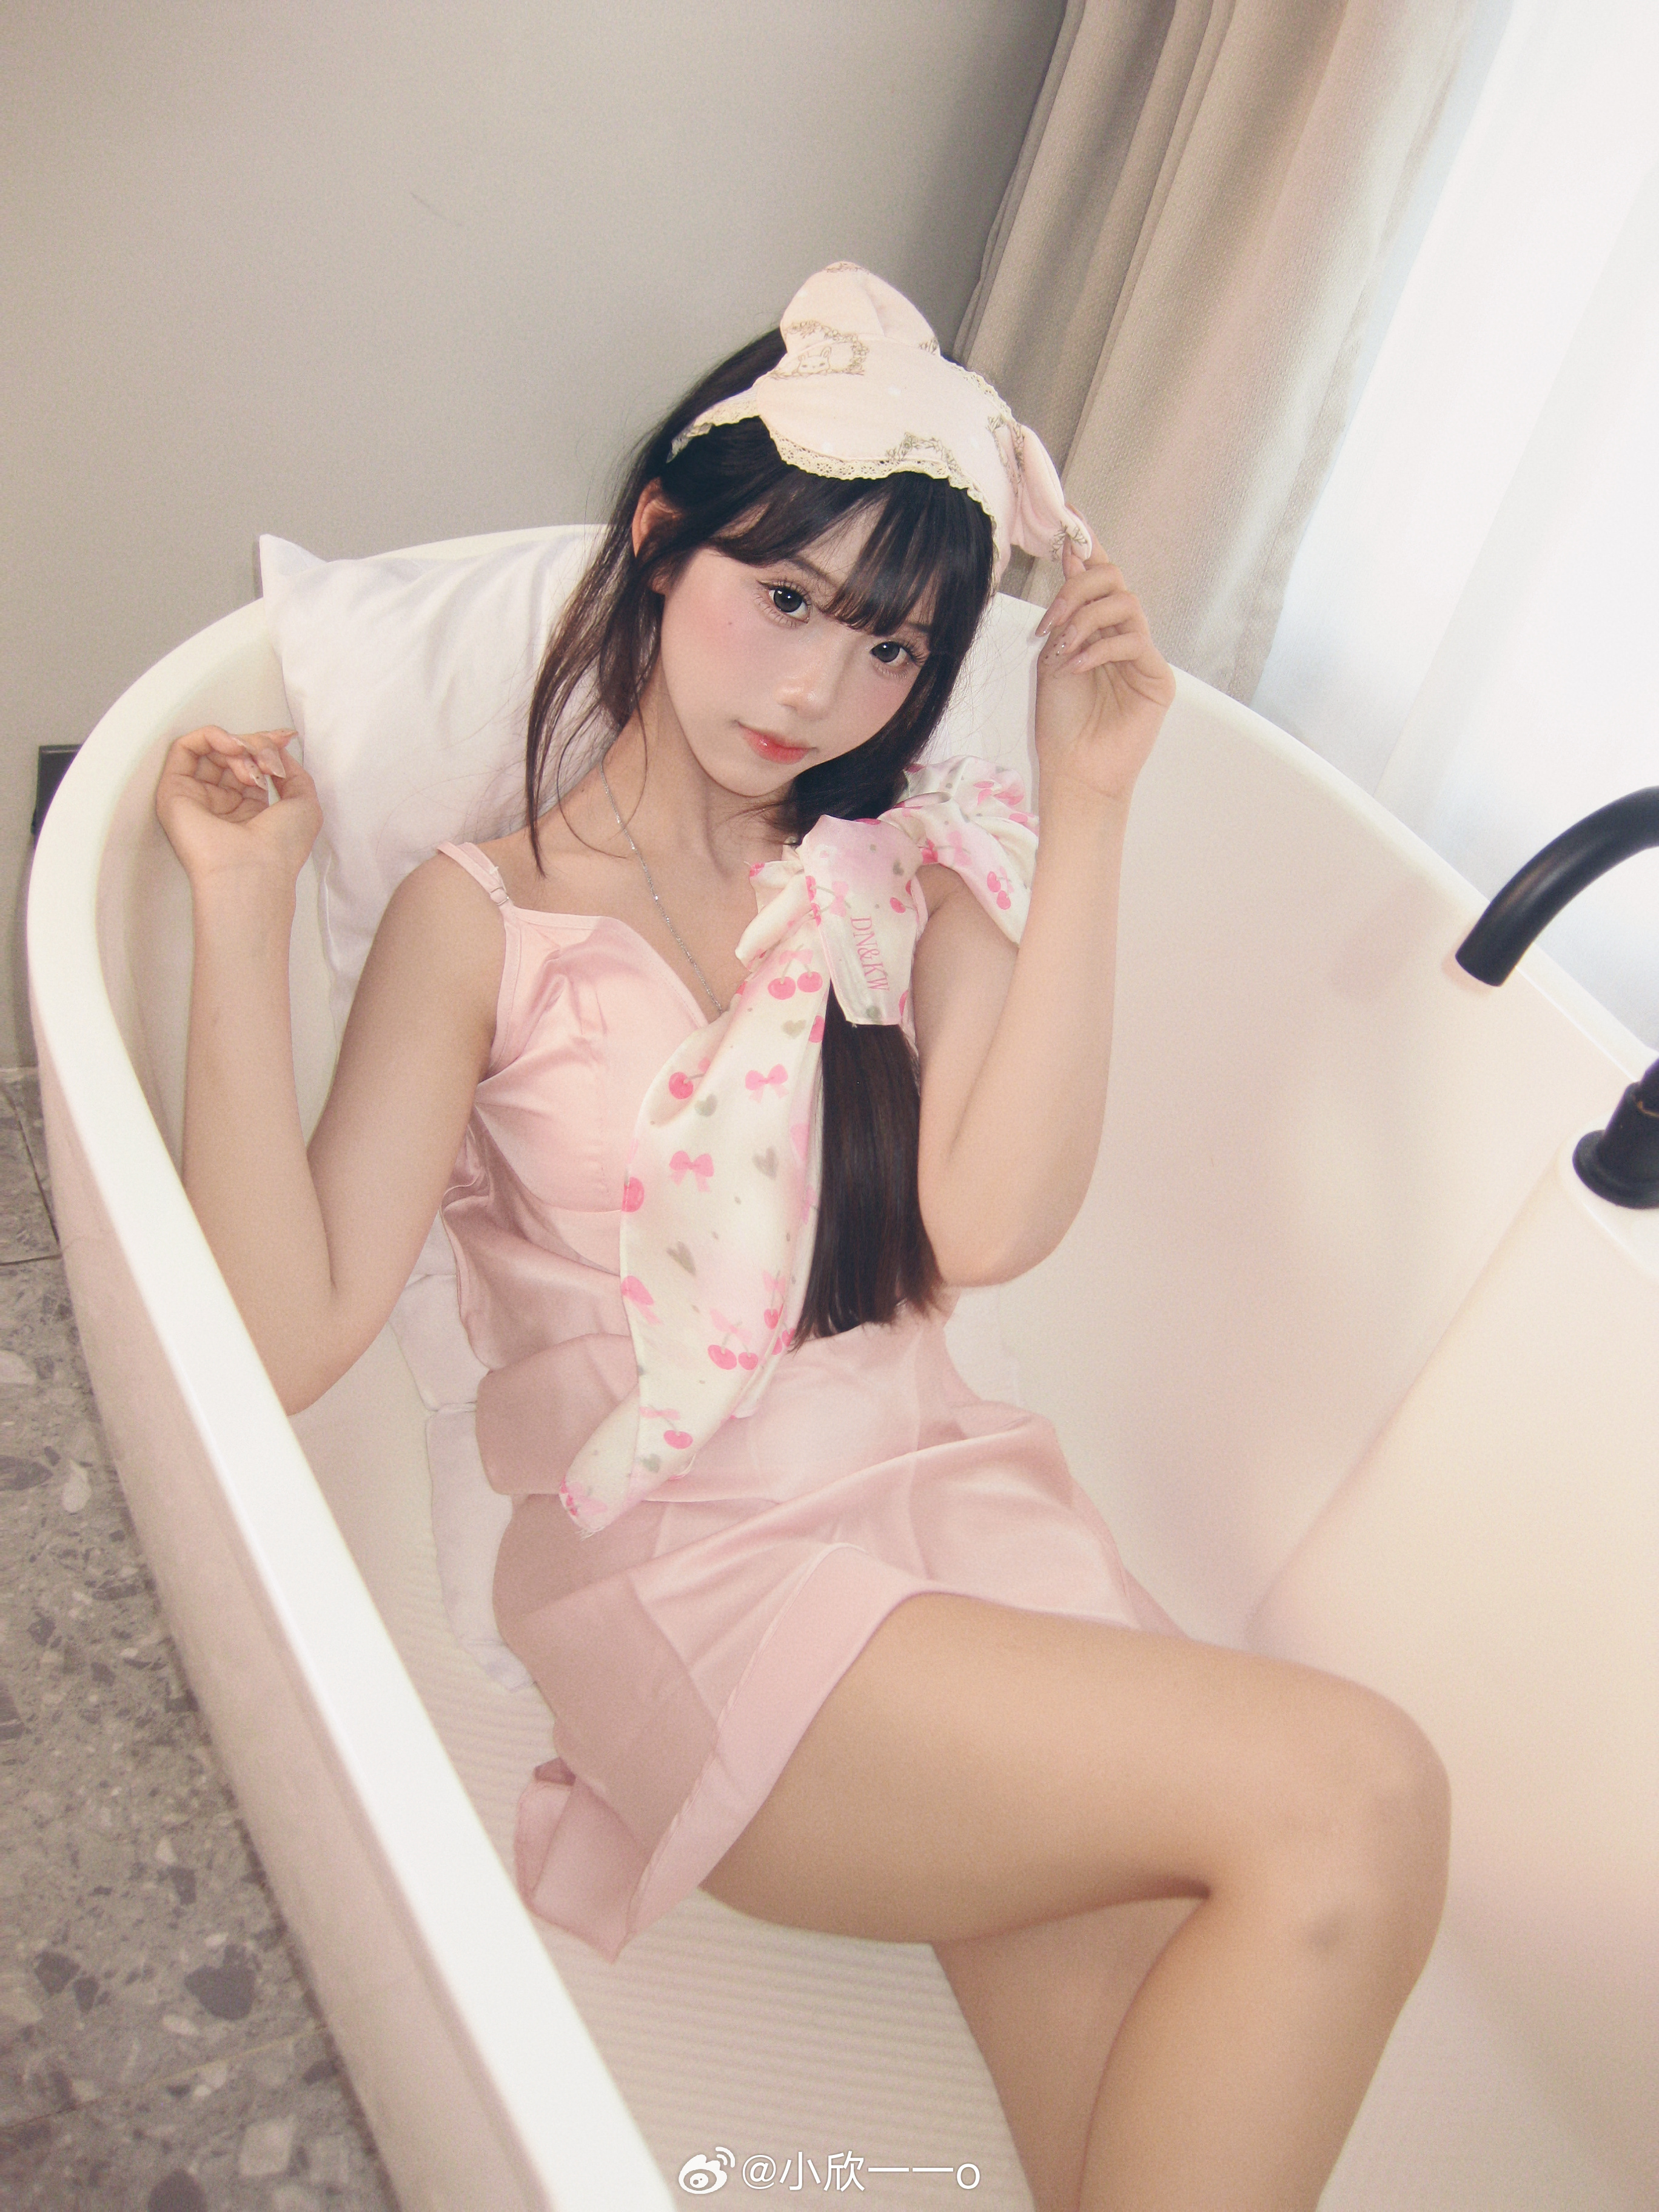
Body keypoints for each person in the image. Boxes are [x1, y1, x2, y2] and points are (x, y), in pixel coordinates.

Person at [155, 264, 1448, 2212]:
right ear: (659, 542)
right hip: (713, 1595)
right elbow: (282, 1330)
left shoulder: (906, 875)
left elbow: (990, 1221)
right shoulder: (478, 919)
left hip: (977, 1539)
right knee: (1359, 1796)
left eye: (891, 648)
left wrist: (1091, 800)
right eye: (785, 600)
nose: (819, 694)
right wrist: (244, 910)